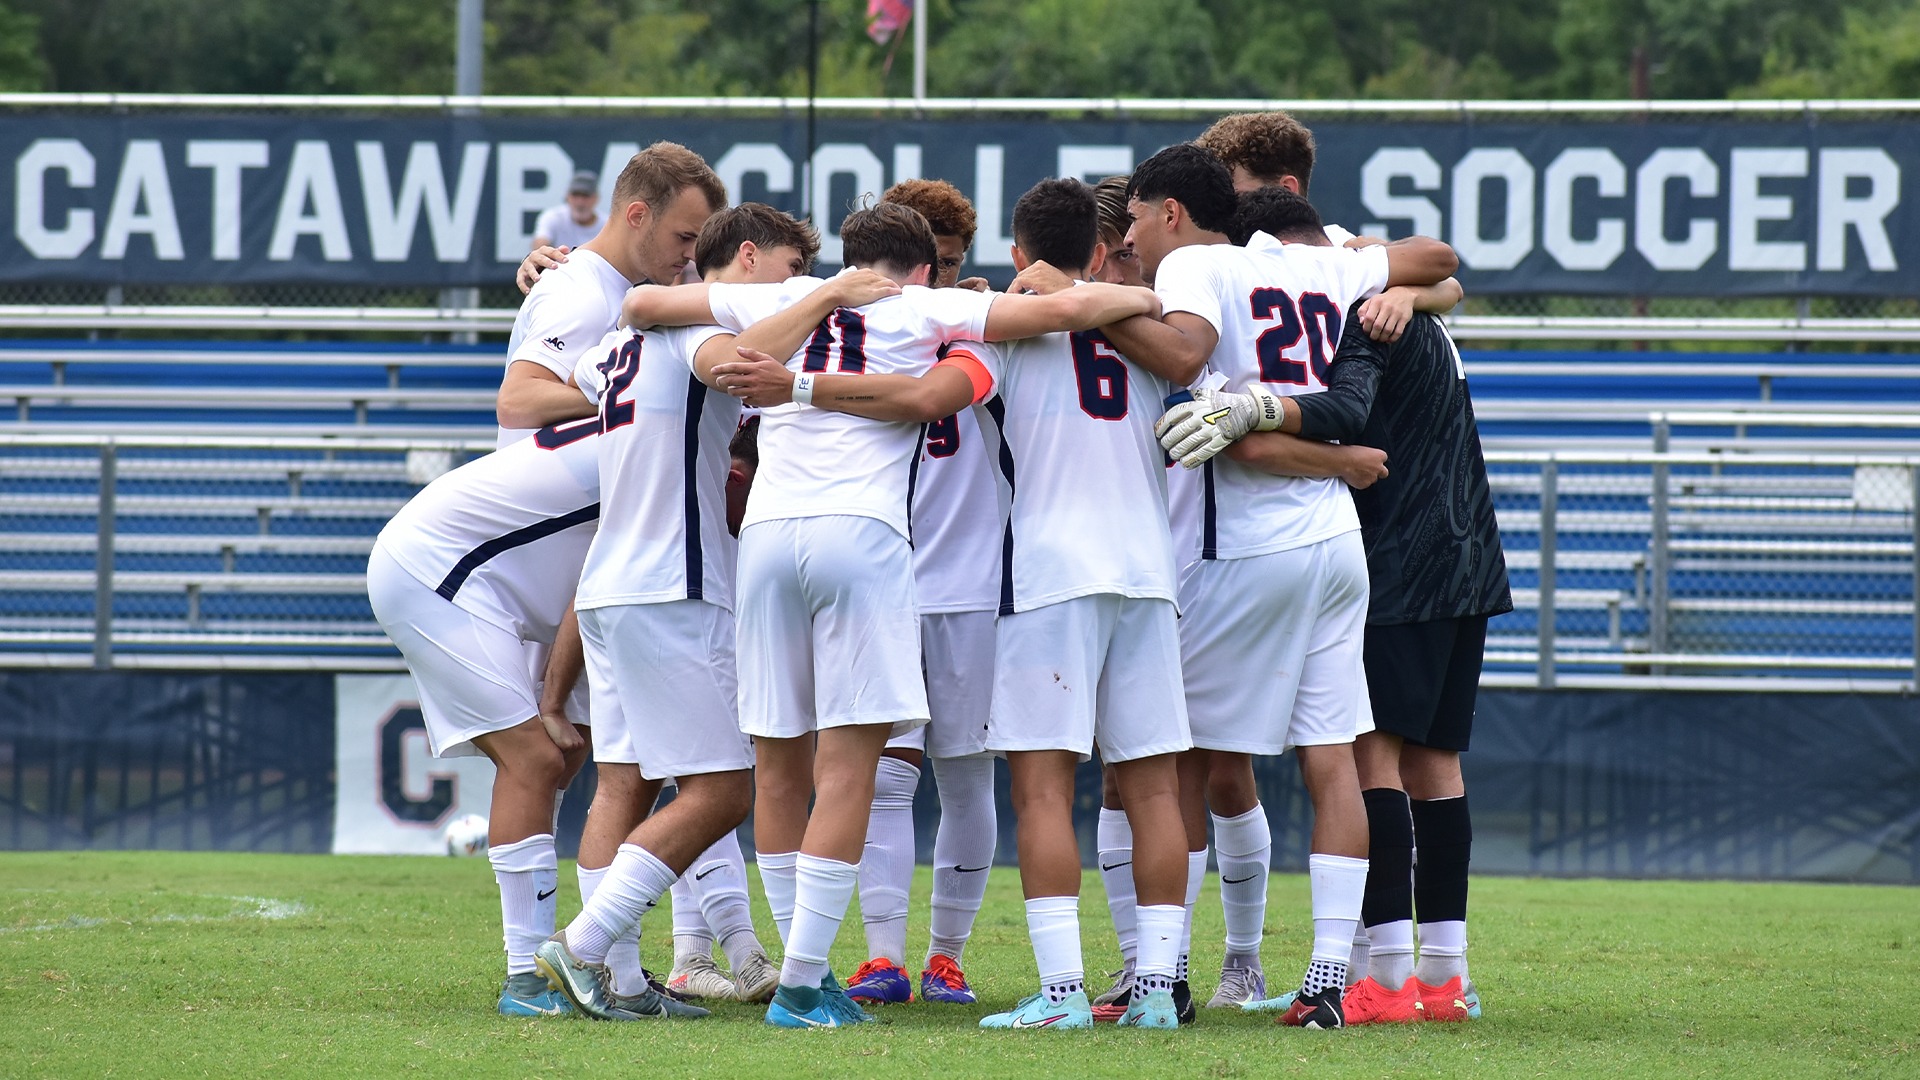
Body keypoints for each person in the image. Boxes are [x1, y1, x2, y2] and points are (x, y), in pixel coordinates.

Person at [629, 200, 1163, 1029]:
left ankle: (799, 968)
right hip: (869, 538)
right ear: (922, 268)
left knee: (779, 764)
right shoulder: (932, 307)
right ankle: (807, 982)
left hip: (767, 537)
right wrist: (1156, 300)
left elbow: (644, 304)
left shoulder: (778, 296)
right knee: (859, 767)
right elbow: (1061, 310)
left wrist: (811, 301)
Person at [534, 207, 904, 1023]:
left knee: (621, 787)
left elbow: (574, 388)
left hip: (609, 583)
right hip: (675, 580)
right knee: (725, 792)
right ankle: (586, 943)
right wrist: (835, 293)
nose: (795, 281)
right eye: (788, 265)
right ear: (745, 256)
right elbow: (743, 363)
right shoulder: (685, 330)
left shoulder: (618, 343)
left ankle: (622, 984)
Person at [1117, 146, 1457, 1030]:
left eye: (1137, 217)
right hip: (1335, 545)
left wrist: (1092, 309)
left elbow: (1189, 359)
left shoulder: (1198, 262)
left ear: (1173, 214)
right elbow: (1438, 261)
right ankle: (1327, 983)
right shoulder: (1322, 260)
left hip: (1243, 546)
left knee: (1178, 762)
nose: (1130, 236)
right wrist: (1340, 456)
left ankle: (1160, 980)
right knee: (1331, 760)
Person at [1241, 305, 1509, 1024]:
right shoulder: (1421, 307)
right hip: (1468, 559)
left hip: (1399, 566)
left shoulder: (1370, 315)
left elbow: (1350, 407)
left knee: (1371, 761)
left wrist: (1252, 410)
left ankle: (1386, 980)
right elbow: (1439, 266)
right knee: (1436, 768)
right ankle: (1443, 978)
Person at [366, 354, 605, 1019]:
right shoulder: (660, 448)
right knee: (535, 756)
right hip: (438, 572)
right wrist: (551, 702)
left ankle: (579, 963)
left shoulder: (649, 417)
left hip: (473, 575)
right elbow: (593, 593)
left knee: (568, 752)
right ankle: (526, 979)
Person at [840, 178, 1004, 1008]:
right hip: (882, 573)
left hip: (971, 580)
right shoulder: (848, 331)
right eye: (918, 267)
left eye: (944, 266)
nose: (928, 286)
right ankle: (882, 958)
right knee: (888, 774)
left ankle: (947, 957)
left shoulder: (988, 330)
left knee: (967, 773)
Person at [497, 143, 724, 446]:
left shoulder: (608, 286)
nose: (693, 255)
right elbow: (516, 402)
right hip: (548, 491)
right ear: (637, 216)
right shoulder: (582, 293)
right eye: (684, 237)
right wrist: (632, 399)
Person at [532, 171, 603, 252]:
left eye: (585, 196)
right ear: (567, 196)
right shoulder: (553, 217)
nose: (580, 202)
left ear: (596, 198)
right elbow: (540, 244)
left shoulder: (606, 224)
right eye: (575, 195)